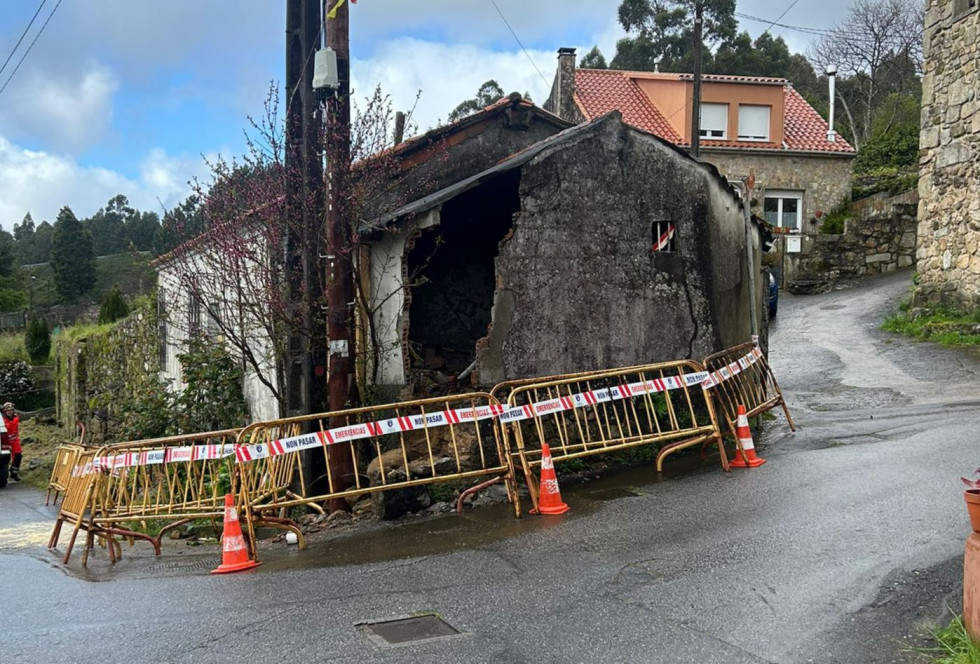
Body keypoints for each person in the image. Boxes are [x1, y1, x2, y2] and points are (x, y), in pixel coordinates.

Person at [2, 402, 21, 481]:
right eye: (8, 410)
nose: (10, 412)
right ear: (5, 411)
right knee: (6, 457)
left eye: (11, 410)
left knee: (18, 456)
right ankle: (4, 473)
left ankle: (14, 473)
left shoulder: (16, 417)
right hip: (6, 441)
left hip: (15, 440)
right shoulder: (2, 420)